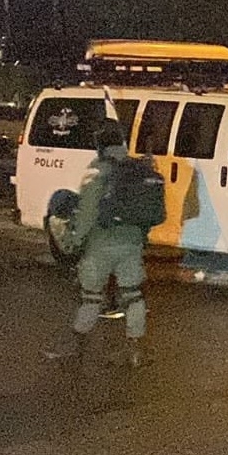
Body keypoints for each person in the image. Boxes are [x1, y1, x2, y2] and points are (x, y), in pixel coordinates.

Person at [45, 122, 160, 366]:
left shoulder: (98, 170)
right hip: (132, 241)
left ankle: (73, 347)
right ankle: (135, 350)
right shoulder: (137, 167)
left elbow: (87, 213)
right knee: (132, 296)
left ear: (100, 146)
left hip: (101, 243)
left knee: (91, 297)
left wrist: (73, 241)